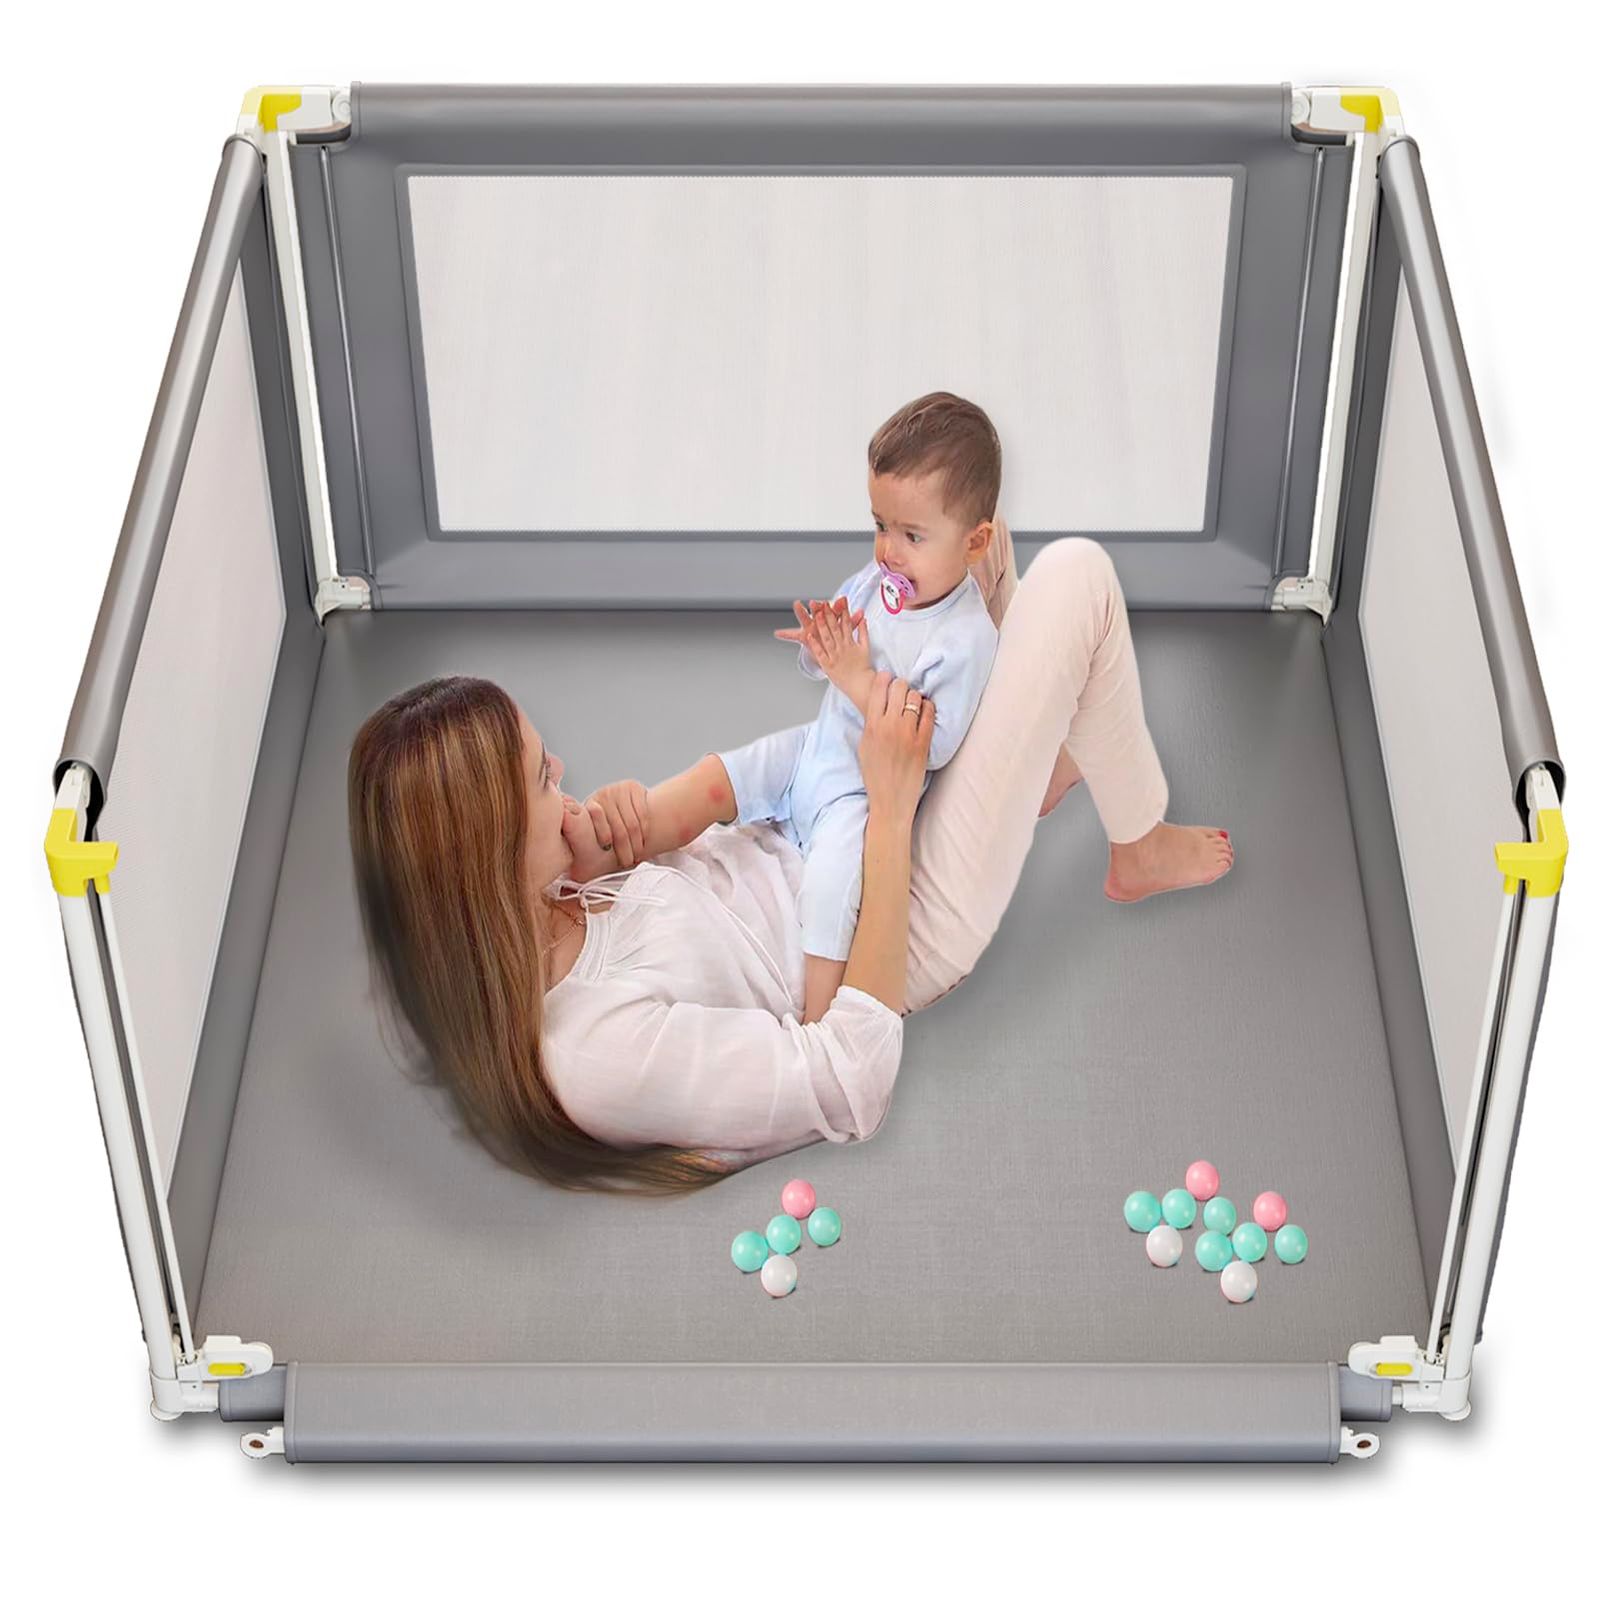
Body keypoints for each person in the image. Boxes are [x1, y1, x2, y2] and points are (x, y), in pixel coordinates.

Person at [347, 418, 1234, 1195]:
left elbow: (702, 855)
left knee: (980, 555)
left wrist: (629, 838)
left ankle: (1030, 762)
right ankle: (1136, 844)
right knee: (1074, 577)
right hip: (893, 919)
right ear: (486, 855)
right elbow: (849, 1081)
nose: (565, 772)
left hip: (823, 829)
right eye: (544, 781)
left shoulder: (542, 901)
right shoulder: (596, 1053)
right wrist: (892, 811)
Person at [719, 395, 1004, 1026]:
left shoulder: (965, 638)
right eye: (879, 526)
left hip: (862, 796)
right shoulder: (876, 584)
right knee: (723, 775)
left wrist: (854, 677)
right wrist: (820, 646)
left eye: (911, 535)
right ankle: (624, 843)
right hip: (815, 749)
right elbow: (833, 654)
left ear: (975, 542)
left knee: (830, 892)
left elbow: (931, 743)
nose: (887, 552)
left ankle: (821, 1024)